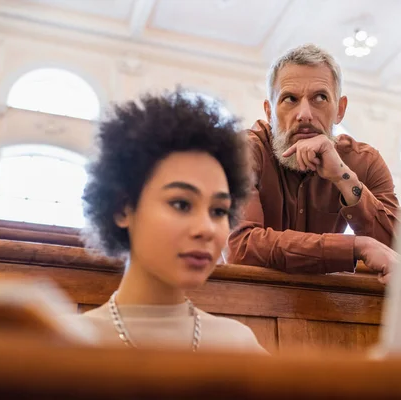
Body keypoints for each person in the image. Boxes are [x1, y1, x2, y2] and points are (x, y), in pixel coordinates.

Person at [80, 90, 266, 353]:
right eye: (181, 204)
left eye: (218, 211)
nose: (206, 229)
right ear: (123, 209)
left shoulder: (237, 345)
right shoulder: (66, 343)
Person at [227, 44, 401, 284]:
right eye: (290, 99)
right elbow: (241, 248)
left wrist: (343, 178)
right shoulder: (244, 152)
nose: (305, 114)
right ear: (269, 112)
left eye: (320, 97)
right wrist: (354, 247)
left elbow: (398, 254)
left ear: (339, 110)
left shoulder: (365, 162)